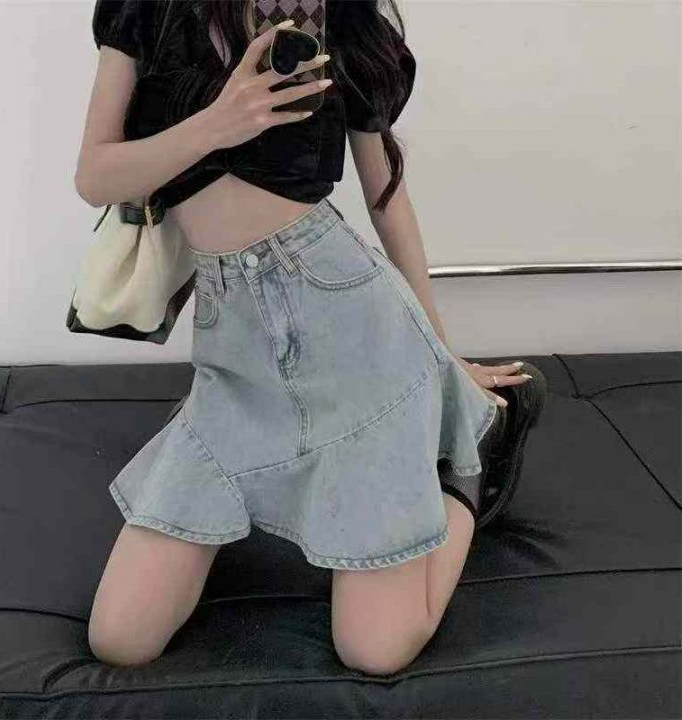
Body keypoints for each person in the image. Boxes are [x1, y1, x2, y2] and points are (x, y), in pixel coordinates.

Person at [76, 0, 547, 675]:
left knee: (375, 650)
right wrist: (220, 122)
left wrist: (442, 355)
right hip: (233, 353)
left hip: (354, 334)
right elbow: (95, 177)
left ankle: (472, 461)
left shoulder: (343, 20)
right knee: (120, 639)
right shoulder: (150, 9)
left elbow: (388, 199)